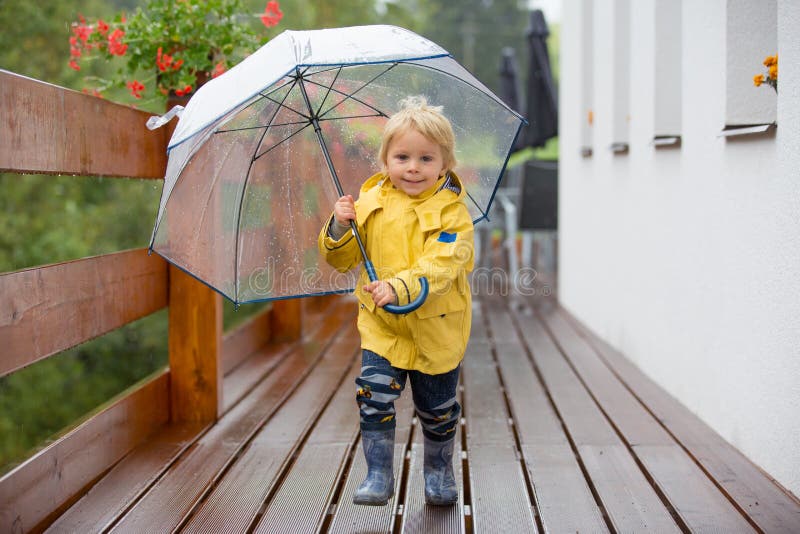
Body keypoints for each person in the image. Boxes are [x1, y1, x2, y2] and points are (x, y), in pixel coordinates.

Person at [318, 96, 474, 506]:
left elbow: (442, 263)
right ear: (385, 160)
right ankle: (379, 474)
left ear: (445, 164)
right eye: (402, 156)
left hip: (436, 329)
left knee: (437, 409)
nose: (413, 167)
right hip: (383, 326)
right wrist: (339, 226)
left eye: (426, 158)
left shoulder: (453, 214)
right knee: (374, 396)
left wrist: (400, 287)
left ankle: (439, 471)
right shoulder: (369, 204)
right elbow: (342, 259)